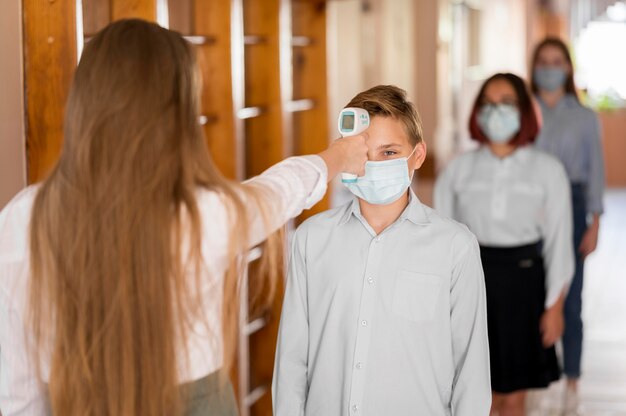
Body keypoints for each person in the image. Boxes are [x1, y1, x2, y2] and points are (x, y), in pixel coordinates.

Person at [0, 19, 368, 416]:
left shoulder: (23, 218)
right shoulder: (208, 215)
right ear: (179, 115)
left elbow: (17, 392)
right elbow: (279, 191)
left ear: (84, 105)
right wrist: (338, 157)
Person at [272, 85, 491, 416]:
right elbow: (291, 361)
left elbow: (471, 373)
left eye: (389, 152)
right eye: (364, 152)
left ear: (417, 156)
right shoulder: (311, 239)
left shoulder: (455, 247)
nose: (374, 164)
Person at [434, 73, 575, 416]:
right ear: (477, 112)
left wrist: (554, 306)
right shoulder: (457, 170)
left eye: (507, 103)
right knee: (474, 394)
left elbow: (559, 241)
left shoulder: (547, 170)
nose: (497, 111)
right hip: (472, 284)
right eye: (489, 103)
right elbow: (438, 240)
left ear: (524, 111)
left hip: (524, 285)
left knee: (512, 397)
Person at [531, 37, 606, 413]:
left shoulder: (584, 116)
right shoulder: (523, 111)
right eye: (543, 60)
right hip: (531, 208)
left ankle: (572, 379)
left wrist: (595, 222)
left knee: (570, 298)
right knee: (533, 295)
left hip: (574, 206)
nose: (549, 67)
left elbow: (595, 170)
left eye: (556, 60)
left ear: (567, 67)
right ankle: (536, 376)